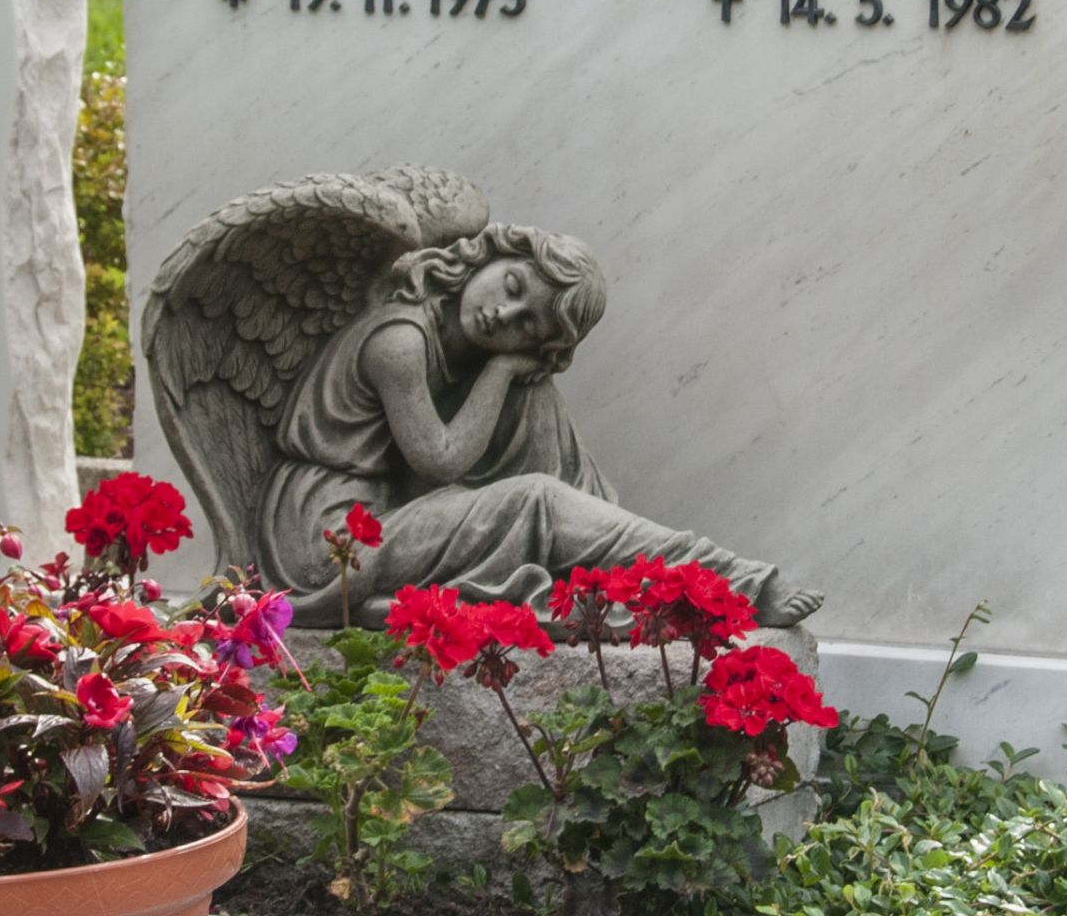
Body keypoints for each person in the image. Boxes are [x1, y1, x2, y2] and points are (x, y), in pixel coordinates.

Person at [260, 225, 814, 626]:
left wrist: (509, 374)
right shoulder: (399, 340)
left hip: (374, 522)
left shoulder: (451, 345)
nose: (501, 314)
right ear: (494, 254)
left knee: (538, 401)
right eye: (512, 286)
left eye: (525, 325)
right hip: (329, 543)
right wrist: (501, 369)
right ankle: (732, 581)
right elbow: (440, 460)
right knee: (536, 500)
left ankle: (599, 572)